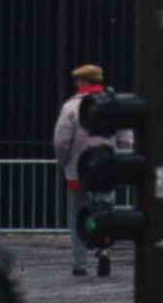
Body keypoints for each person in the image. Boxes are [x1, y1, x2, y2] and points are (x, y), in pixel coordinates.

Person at [52, 61, 132, 279]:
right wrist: (120, 160)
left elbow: (61, 141)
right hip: (107, 169)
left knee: (77, 213)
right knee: (105, 210)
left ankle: (80, 263)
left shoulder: (71, 108)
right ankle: (104, 250)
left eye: (78, 81)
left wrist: (64, 161)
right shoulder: (114, 105)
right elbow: (126, 139)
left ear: (83, 81)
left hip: (78, 171)